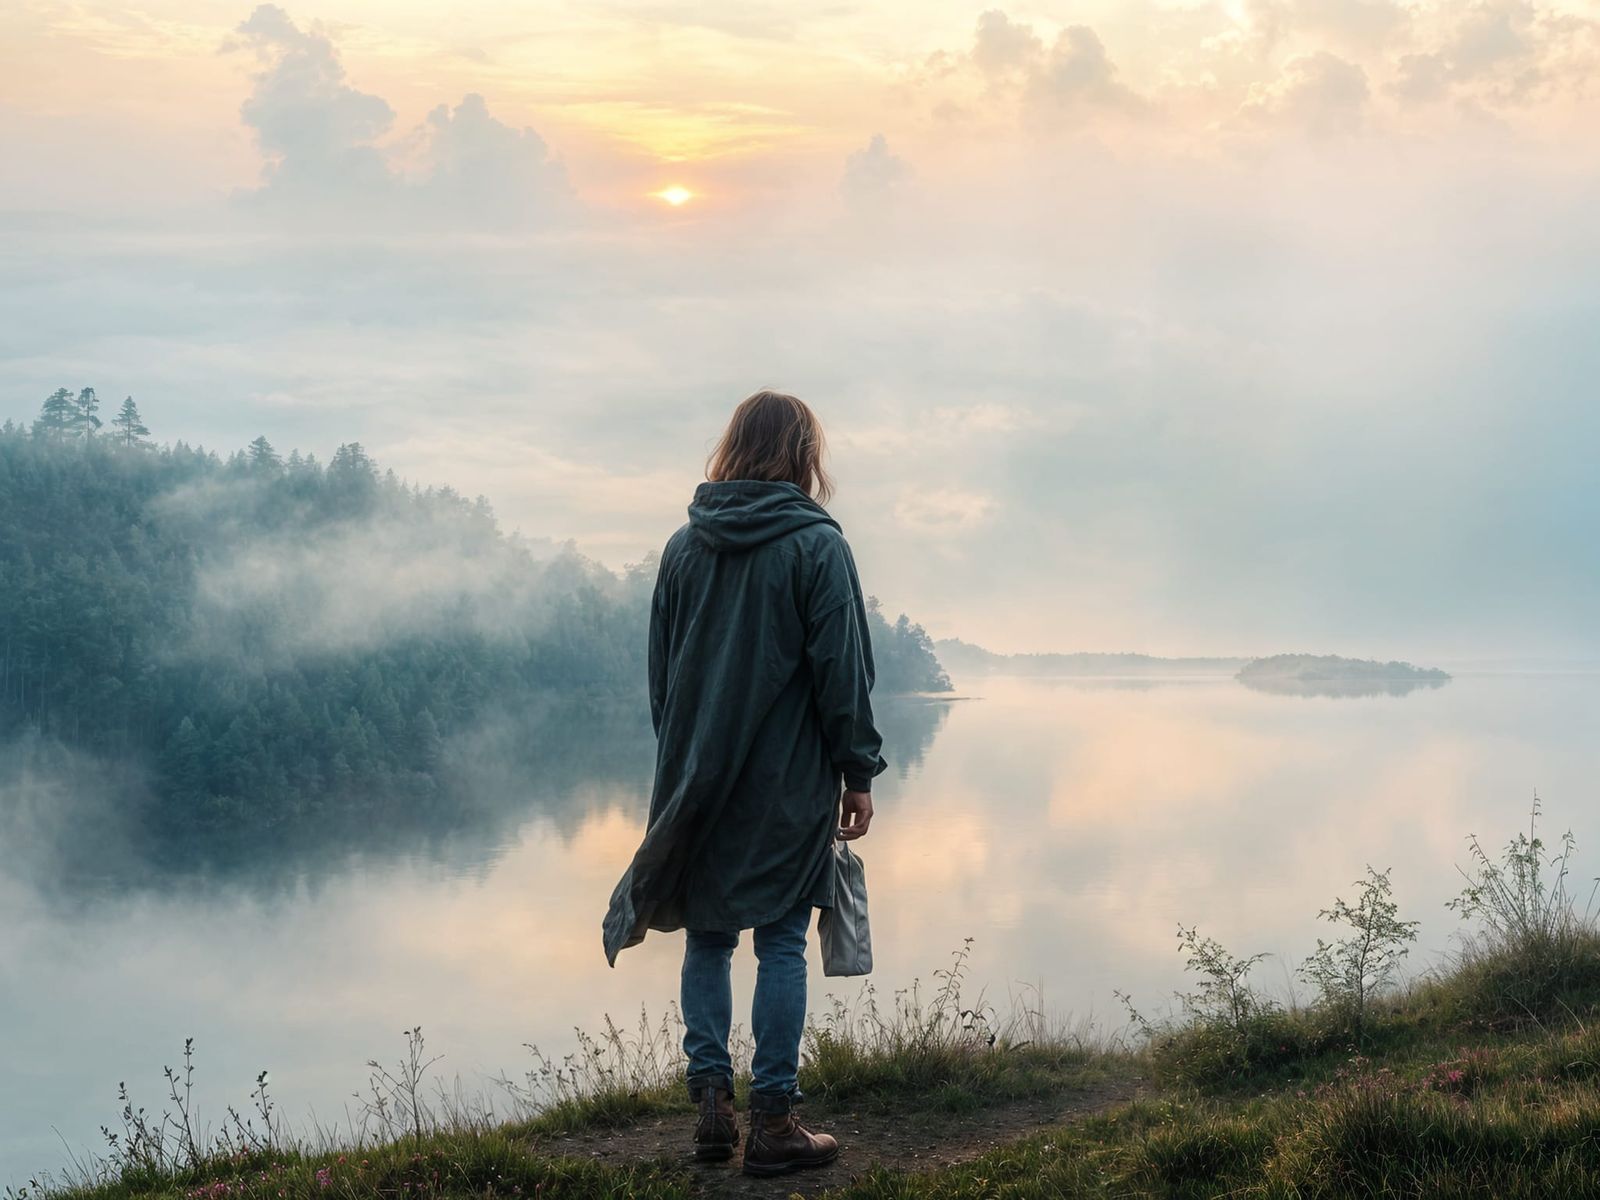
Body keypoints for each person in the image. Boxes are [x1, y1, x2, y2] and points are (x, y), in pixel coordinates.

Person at [602, 389, 887, 1176]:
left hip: (696, 775)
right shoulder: (817, 546)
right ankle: (774, 1123)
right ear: (804, 455)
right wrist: (857, 769)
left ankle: (710, 1112)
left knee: (708, 935)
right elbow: (842, 674)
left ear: (731, 449)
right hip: (788, 783)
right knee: (784, 939)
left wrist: (688, 760)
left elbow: (662, 678)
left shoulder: (684, 548)